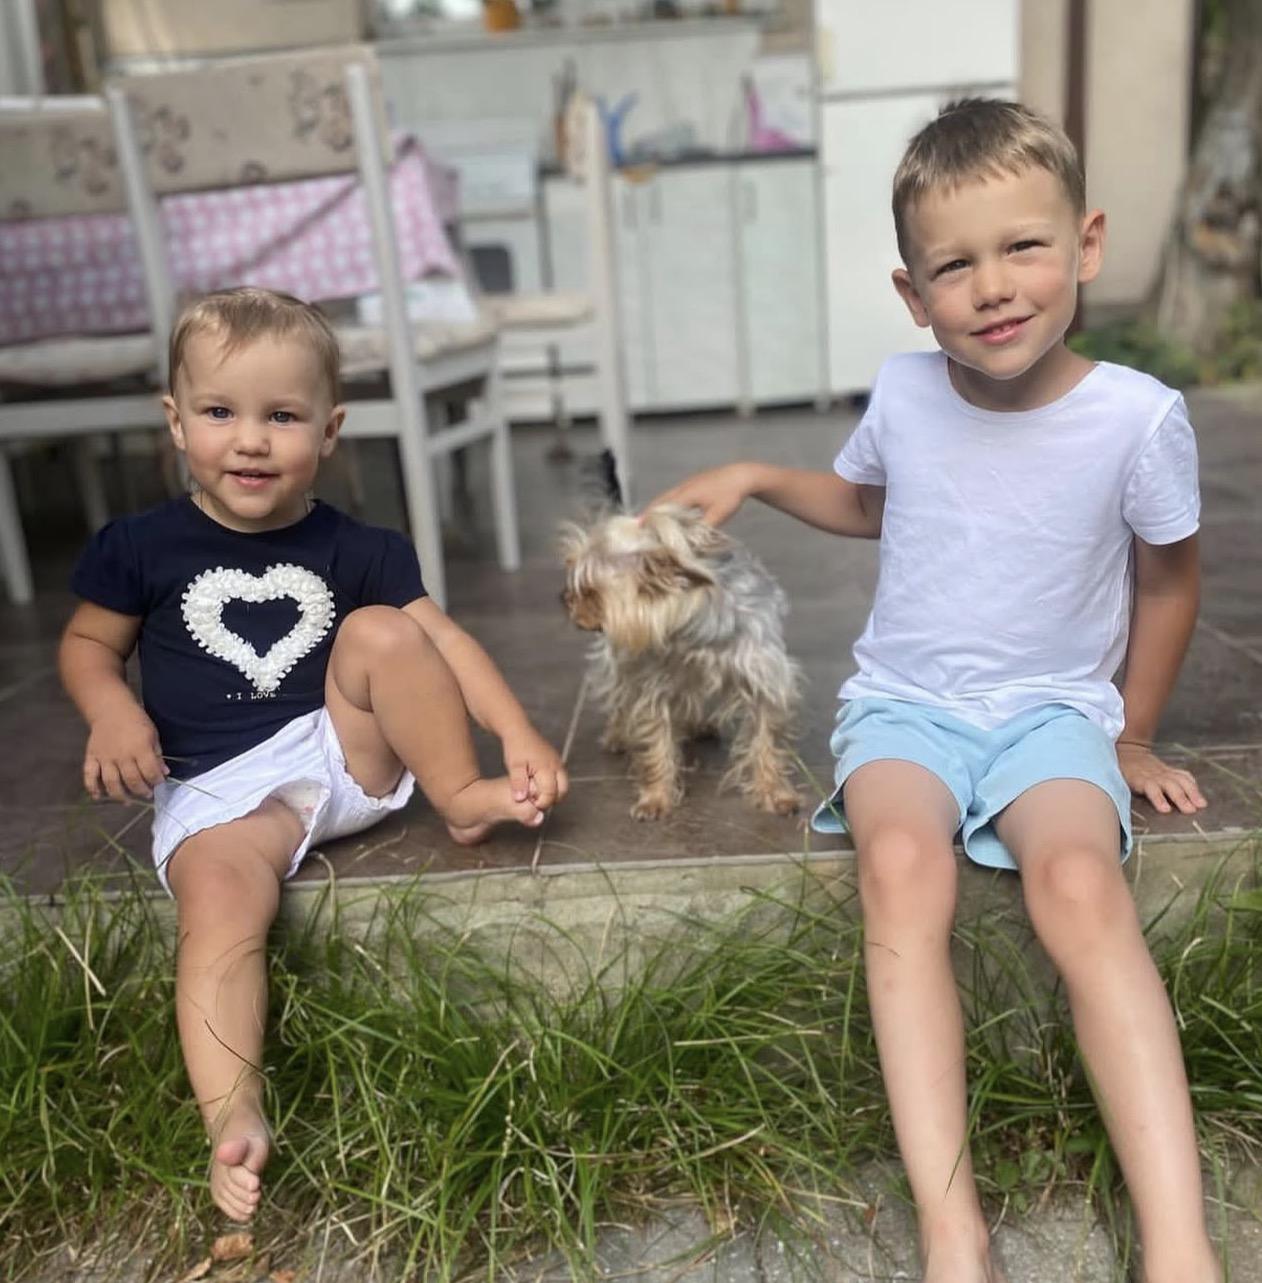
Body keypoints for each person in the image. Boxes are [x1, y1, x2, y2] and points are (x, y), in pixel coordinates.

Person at [648, 100, 1218, 1283]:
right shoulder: (904, 393)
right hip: (904, 708)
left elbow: (1168, 580)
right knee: (901, 864)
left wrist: (1128, 734)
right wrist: (756, 472)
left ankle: (1177, 1244)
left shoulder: (1135, 418)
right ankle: (953, 1233)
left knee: (1078, 881)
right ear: (912, 294)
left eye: (1022, 247)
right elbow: (871, 504)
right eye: (953, 266)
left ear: (1085, 244)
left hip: (1051, 713)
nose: (992, 286)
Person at [58, 286, 568, 1224]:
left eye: (282, 417)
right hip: (219, 793)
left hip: (343, 752)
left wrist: (518, 731)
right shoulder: (141, 546)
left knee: (383, 631)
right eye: (220, 412)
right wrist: (111, 709)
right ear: (175, 421)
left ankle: (460, 794)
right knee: (219, 906)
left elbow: (444, 643)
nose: (250, 440)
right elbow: (89, 645)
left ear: (329, 431)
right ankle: (233, 1110)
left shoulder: (359, 547)